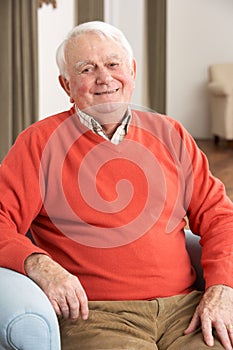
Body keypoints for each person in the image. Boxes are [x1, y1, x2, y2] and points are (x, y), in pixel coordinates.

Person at [0, 20, 233, 350]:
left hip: (186, 312)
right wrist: (37, 263)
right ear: (66, 84)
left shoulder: (171, 134)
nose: (104, 78)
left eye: (112, 64)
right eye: (87, 69)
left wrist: (223, 287)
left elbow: (220, 216)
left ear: (132, 71)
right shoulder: (39, 143)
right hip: (97, 316)